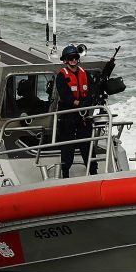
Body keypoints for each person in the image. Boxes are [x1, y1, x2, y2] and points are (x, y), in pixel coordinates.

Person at [55, 44, 98, 178]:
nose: (73, 60)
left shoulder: (85, 74)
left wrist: (88, 101)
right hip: (68, 117)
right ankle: (65, 174)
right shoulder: (62, 76)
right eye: (70, 58)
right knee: (68, 147)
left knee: (87, 145)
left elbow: (93, 89)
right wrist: (78, 103)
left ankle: (93, 172)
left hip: (83, 116)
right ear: (65, 60)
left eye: (75, 57)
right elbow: (65, 95)